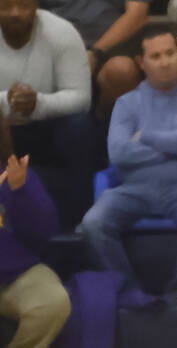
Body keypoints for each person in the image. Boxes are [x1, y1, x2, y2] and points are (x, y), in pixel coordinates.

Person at [80, 24, 177, 301]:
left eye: (170, 53)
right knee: (92, 223)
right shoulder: (127, 103)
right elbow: (118, 153)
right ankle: (129, 291)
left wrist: (147, 136)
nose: (165, 62)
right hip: (133, 189)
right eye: (156, 57)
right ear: (142, 63)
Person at [0, 113, 71, 348]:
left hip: (15, 272)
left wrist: (20, 191)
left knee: (52, 302)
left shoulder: (15, 172)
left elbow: (43, 232)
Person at [0, 0, 94, 228]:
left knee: (78, 126)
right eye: (6, 6)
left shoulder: (61, 32)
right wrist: (7, 101)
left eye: (23, 6)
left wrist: (39, 104)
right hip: (2, 127)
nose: (15, 14)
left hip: (48, 128)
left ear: (35, 6)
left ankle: (77, 222)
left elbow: (81, 97)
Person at [40, 0, 149, 108]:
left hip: (111, 46)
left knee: (122, 69)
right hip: (57, 43)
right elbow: (26, 12)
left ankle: (111, 121)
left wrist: (95, 52)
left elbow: (137, 14)